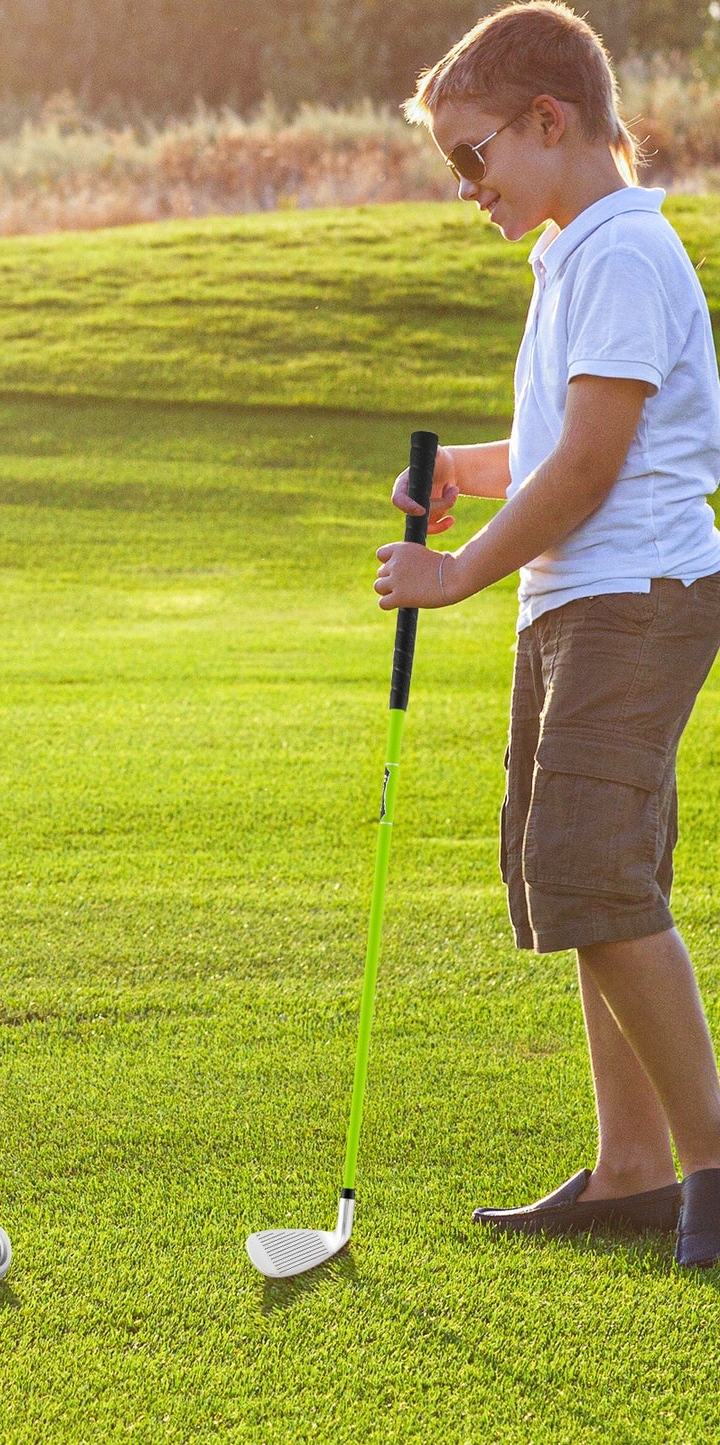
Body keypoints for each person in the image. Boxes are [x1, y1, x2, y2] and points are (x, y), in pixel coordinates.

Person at [379, 0, 720, 1267]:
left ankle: (710, 1164)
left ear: (546, 119)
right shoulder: (574, 255)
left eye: (471, 156)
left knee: (591, 866)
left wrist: (453, 570)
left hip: (635, 595)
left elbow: (588, 467)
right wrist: (465, 473)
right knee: (571, 876)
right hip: (580, 598)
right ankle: (628, 1167)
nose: (461, 185)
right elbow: (555, 446)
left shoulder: (624, 252)